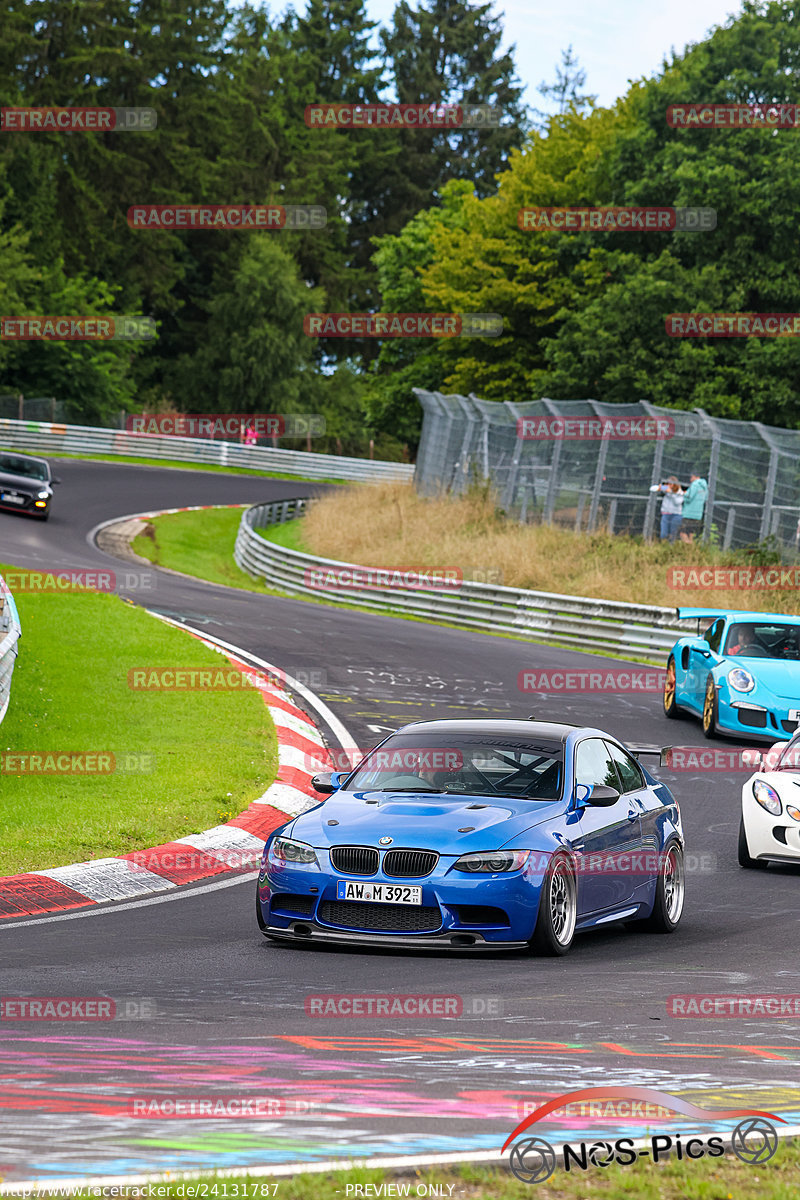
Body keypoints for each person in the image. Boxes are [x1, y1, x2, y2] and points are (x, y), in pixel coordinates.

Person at [650, 476, 684, 542]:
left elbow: (677, 502)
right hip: (665, 514)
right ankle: (663, 546)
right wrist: (659, 487)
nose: (668, 485)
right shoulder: (666, 489)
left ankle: (670, 549)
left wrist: (671, 493)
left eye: (670, 484)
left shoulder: (680, 491)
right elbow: (653, 488)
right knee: (663, 534)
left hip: (676, 515)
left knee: (673, 535)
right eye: (668, 484)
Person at [680, 471, 709, 543]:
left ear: (694, 476)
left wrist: (683, 495)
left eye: (691, 477)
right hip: (698, 514)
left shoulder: (695, 484)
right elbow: (705, 498)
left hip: (688, 514)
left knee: (682, 533)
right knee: (691, 534)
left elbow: (689, 497)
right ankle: (691, 550)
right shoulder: (705, 487)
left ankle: (689, 548)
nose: (690, 480)